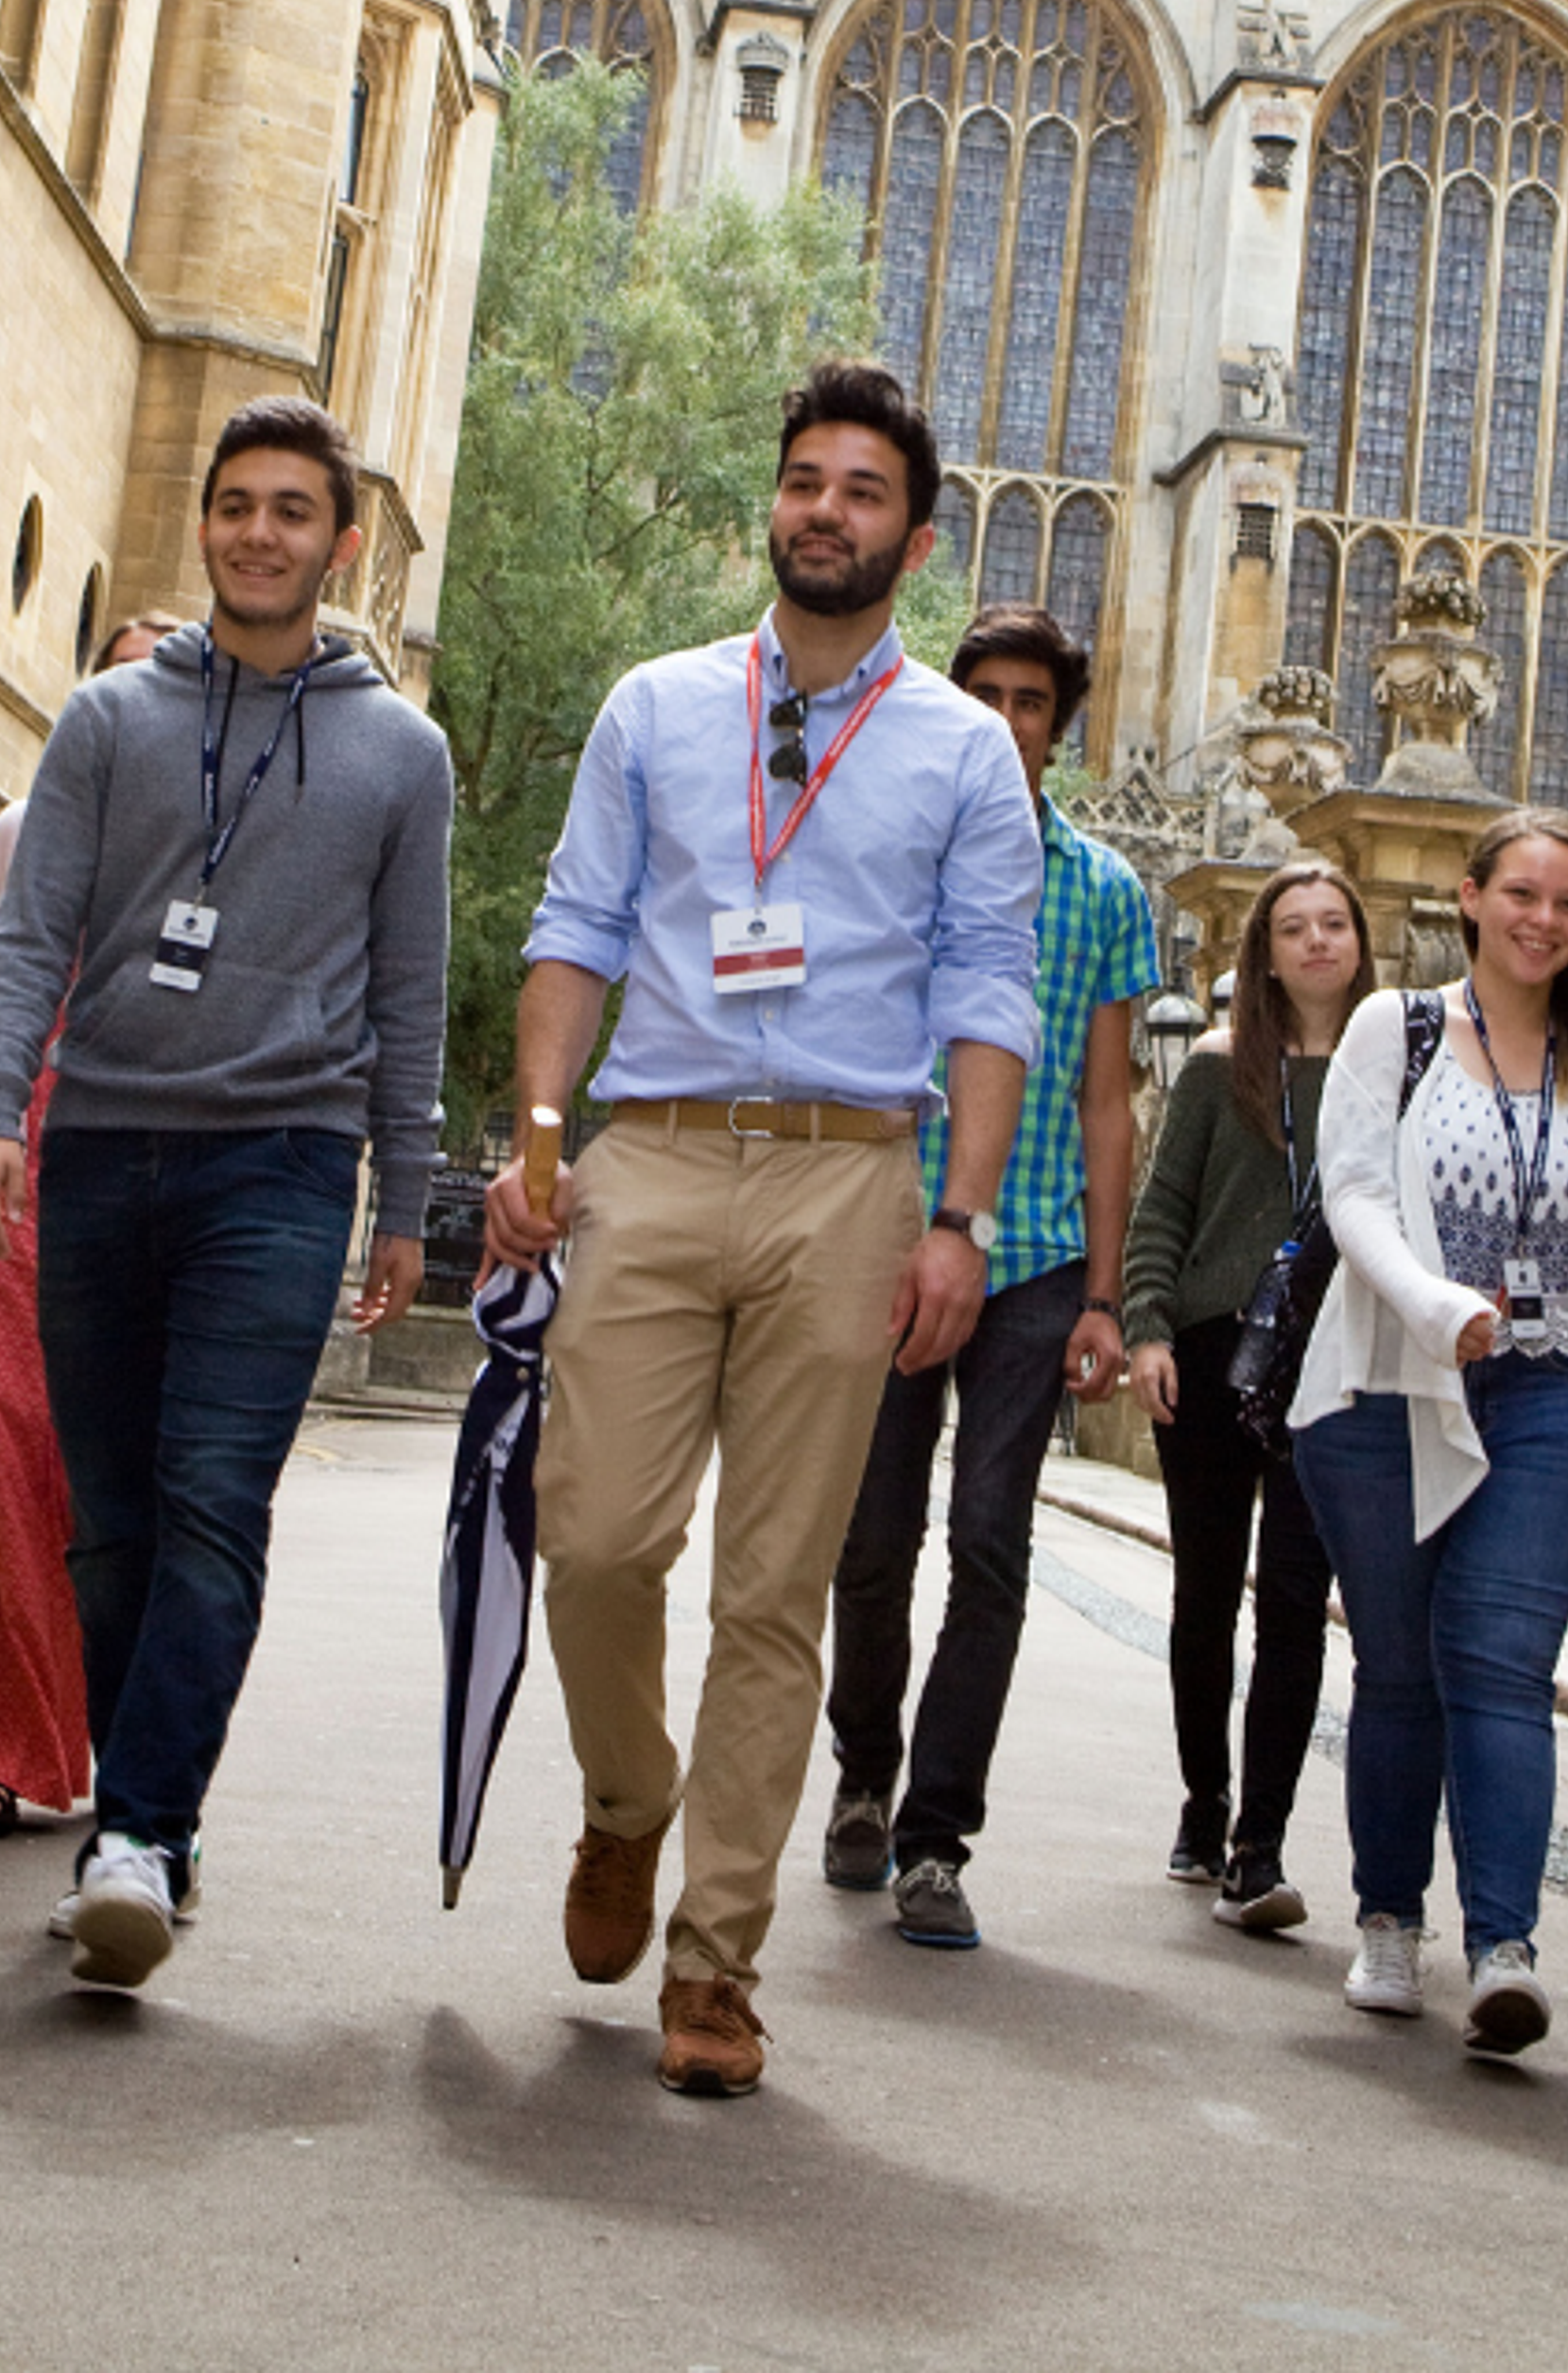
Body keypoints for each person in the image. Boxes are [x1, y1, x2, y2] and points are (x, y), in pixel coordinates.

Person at [481, 360, 1039, 2101]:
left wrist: (959, 1221)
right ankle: (626, 1803)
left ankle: (716, 1957)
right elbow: (576, 926)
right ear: (774, 505)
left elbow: (992, 1000)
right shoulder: (655, 709)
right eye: (806, 480)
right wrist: (541, 1135)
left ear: (916, 537)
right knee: (592, 1542)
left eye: (864, 490)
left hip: (850, 1173)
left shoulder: (961, 752)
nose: (827, 510)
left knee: (774, 1590)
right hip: (646, 1155)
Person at [0, 403, 450, 1992]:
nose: (258, 533)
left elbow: (413, 992)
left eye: (291, 511)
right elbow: (30, 930)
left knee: (213, 1502)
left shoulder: (401, 753)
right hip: (98, 1141)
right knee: (107, 1526)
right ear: (206, 523)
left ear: (340, 539)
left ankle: (144, 1830)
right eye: (234, 506)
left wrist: (406, 1196)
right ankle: (142, 1810)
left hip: (283, 1166)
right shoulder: (106, 720)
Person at [1286, 808, 1568, 2054]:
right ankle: (1390, 1922)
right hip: (1388, 1384)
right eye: (1521, 893)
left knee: (1503, 1663)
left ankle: (1506, 1944)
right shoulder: (1393, 1026)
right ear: (1471, 898)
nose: (1544, 920)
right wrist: (1434, 1301)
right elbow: (1350, 1190)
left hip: (1552, 1391)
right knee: (1401, 1666)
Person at [822, 601, 1157, 1950]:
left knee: (991, 1542)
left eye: (1034, 702)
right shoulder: (898, 850)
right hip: (900, 1227)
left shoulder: (1108, 889)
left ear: (1060, 727)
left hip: (1036, 1256)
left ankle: (935, 1835)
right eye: (990, 695)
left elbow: (1109, 1104)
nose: (1012, 720)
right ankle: (860, 1771)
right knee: (871, 1533)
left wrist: (1105, 1295)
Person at [0, 609, 187, 1841]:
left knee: (114, 1470)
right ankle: (5, 1741)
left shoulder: (220, 853)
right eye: (120, 684)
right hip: (16, 1148)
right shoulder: (20, 833)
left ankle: (128, 1745)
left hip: (153, 1152)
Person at [1122, 857, 1372, 1932]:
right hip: (1216, 1348)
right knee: (1208, 1590)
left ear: (1361, 941)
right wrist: (1144, 1328)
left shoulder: (1393, 1071)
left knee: (1294, 1605)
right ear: (1262, 950)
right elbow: (1162, 1211)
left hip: (1333, 1359)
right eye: (1295, 926)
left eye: (1335, 922)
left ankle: (1257, 1844)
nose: (1317, 940)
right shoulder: (1218, 1070)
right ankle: (1202, 1798)